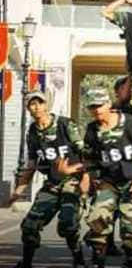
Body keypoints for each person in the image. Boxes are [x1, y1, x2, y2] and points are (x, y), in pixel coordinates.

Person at [10, 91, 88, 268]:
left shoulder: (65, 124)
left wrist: (83, 177)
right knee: (30, 225)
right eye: (32, 104)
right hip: (52, 183)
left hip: (72, 181)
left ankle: (78, 258)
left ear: (46, 105)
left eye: (39, 103)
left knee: (68, 224)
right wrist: (19, 189)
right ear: (28, 108)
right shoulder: (33, 132)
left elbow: (86, 155)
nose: (36, 107)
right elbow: (32, 163)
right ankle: (26, 263)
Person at [82, 88, 132, 268]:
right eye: (92, 107)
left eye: (100, 105)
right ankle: (98, 258)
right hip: (108, 182)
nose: (97, 110)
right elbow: (89, 157)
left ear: (108, 105)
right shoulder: (92, 130)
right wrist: (91, 179)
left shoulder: (131, 124)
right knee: (98, 218)